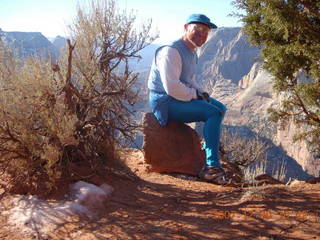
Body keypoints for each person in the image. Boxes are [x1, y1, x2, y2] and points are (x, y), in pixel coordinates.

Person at [147, 14, 227, 184]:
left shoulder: (191, 52)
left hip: (177, 97)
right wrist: (195, 95)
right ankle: (212, 168)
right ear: (185, 28)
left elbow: (189, 80)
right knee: (212, 113)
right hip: (165, 101)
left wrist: (201, 93)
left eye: (205, 31)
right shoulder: (171, 51)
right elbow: (172, 87)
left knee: (220, 108)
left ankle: (209, 147)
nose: (201, 34)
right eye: (197, 29)